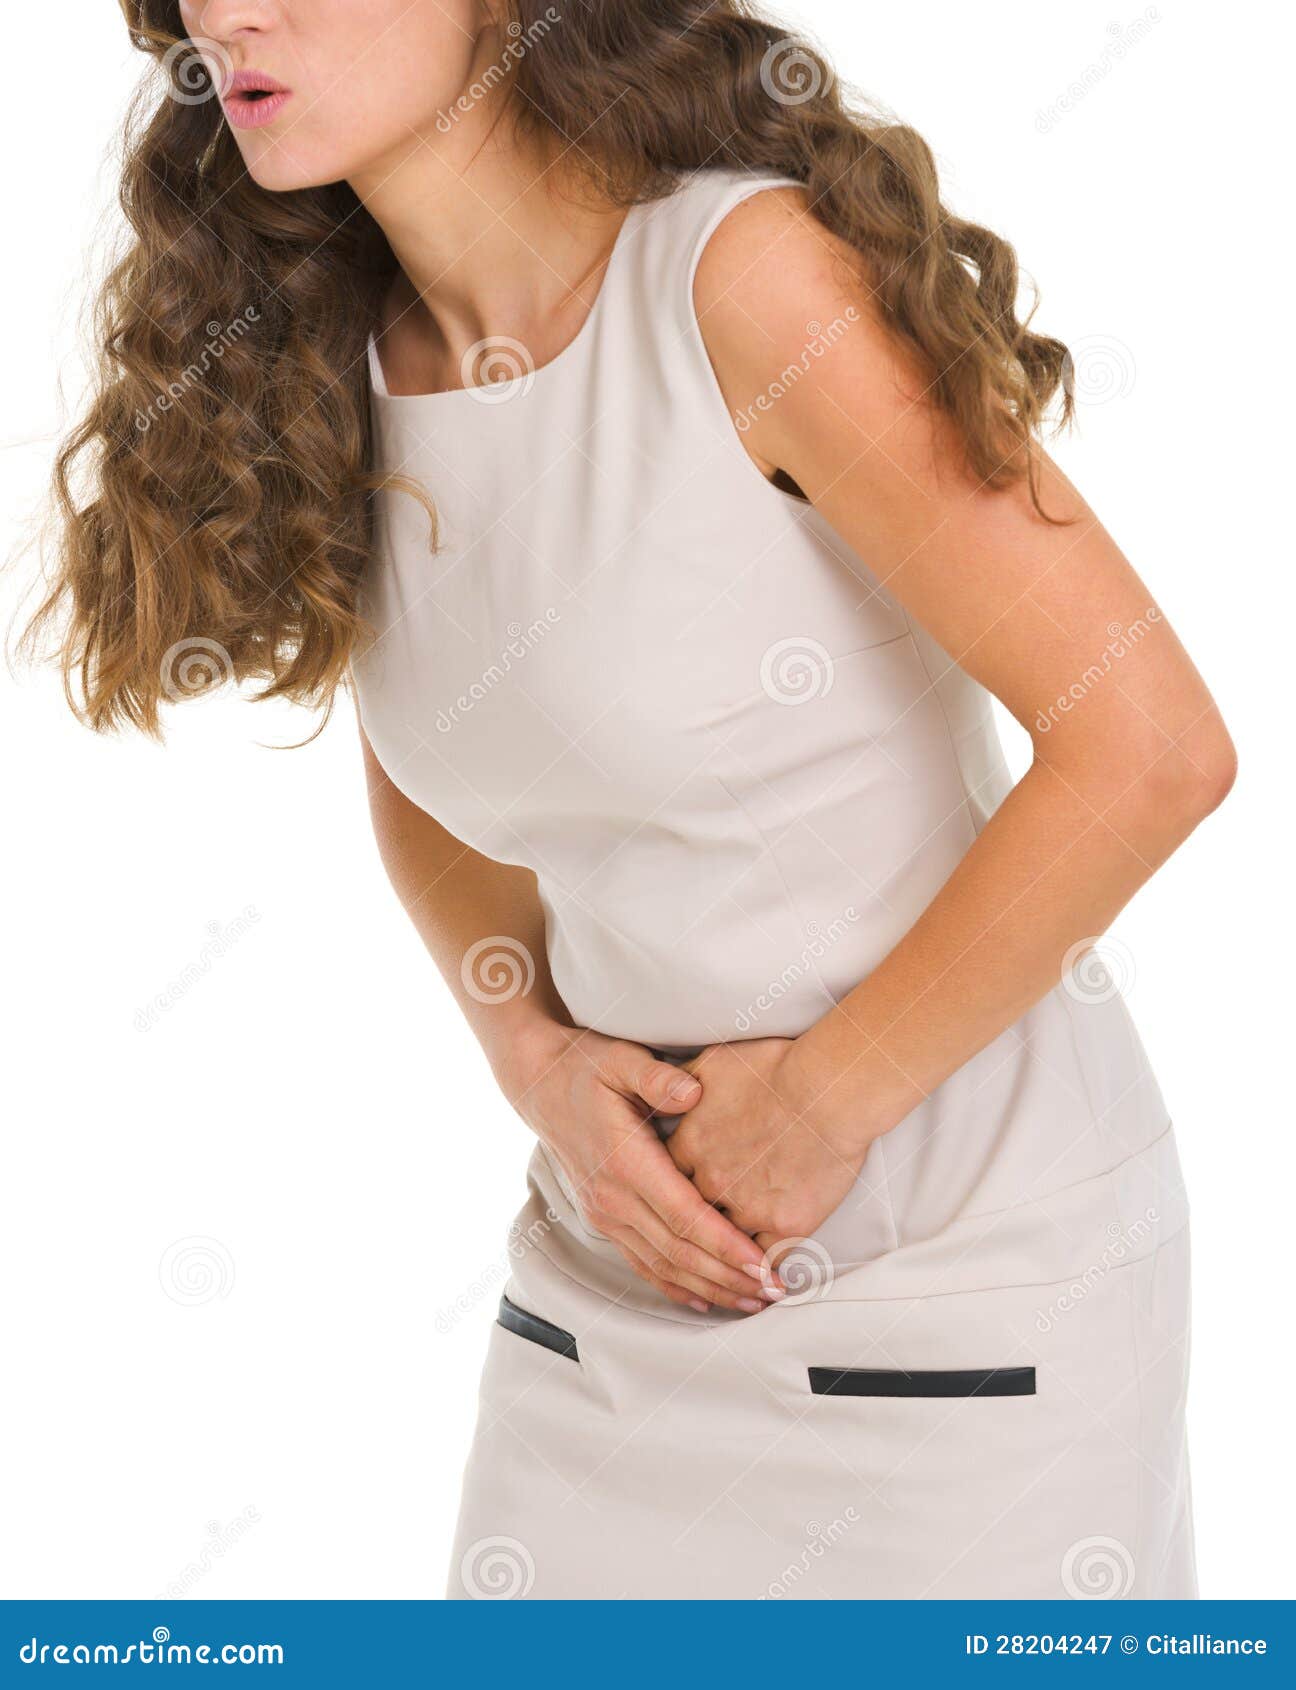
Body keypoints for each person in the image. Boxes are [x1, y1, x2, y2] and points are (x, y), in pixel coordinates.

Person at [25, 1, 1235, 1599]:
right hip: (606, 1307)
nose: (225, 14)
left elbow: (1148, 744)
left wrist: (824, 1101)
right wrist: (530, 1052)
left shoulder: (745, 284)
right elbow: (445, 772)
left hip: (962, 1311)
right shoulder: (357, 349)